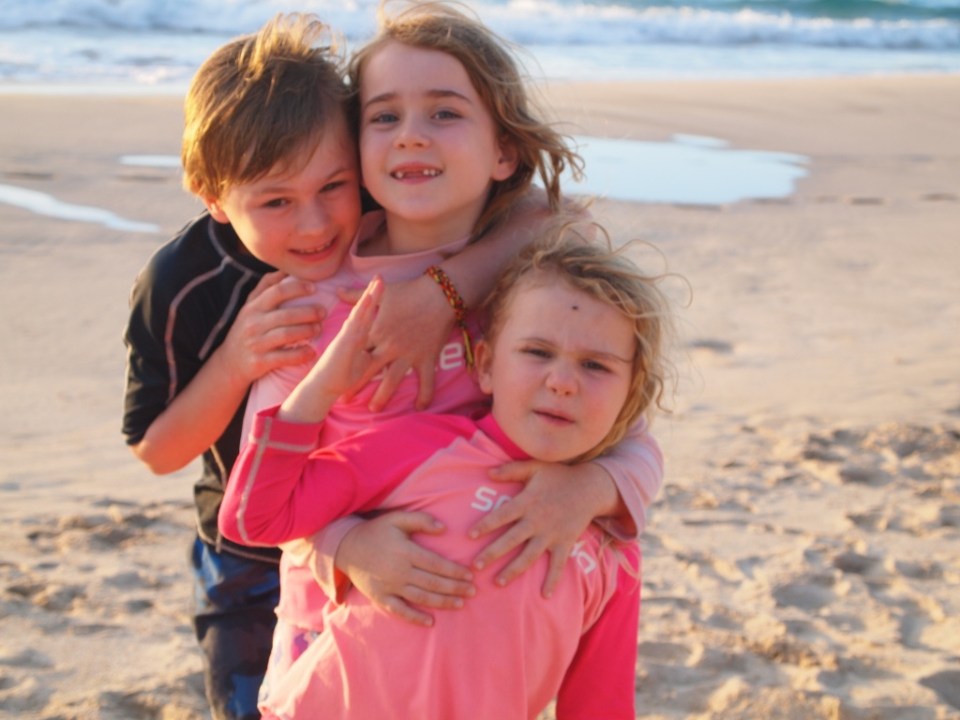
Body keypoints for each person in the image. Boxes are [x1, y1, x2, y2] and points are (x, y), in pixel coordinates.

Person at [121, 12, 557, 720]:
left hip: (381, 517)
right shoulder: (185, 281)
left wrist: (439, 298)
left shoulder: (387, 241)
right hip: (248, 544)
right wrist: (236, 361)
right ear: (213, 200)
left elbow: (548, 219)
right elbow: (156, 450)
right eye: (276, 202)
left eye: (335, 186)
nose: (317, 225)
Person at [234, 2, 663, 708]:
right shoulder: (317, 300)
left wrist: (592, 488)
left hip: (489, 662)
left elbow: (635, 439)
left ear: (504, 150)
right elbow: (267, 483)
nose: (411, 137)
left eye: (444, 113)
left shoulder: (543, 285)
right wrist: (347, 545)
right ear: (354, 145)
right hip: (338, 647)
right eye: (384, 116)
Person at [221, 222, 674, 719]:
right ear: (484, 365)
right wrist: (321, 387)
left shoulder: (614, 551)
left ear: (630, 396)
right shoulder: (416, 449)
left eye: (596, 366)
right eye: (537, 352)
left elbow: (598, 708)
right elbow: (253, 519)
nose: (563, 381)